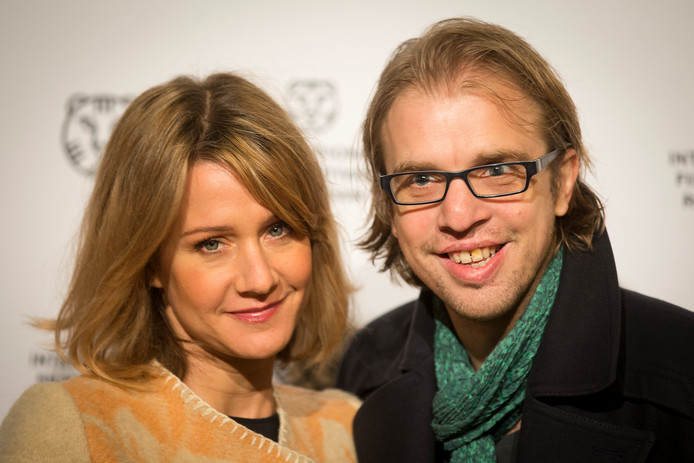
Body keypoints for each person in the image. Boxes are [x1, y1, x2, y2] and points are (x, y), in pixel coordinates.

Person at [336, 17, 694, 462]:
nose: (459, 216)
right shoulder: (364, 372)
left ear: (563, 182)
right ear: (388, 206)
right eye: (422, 179)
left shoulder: (681, 373)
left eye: (496, 170)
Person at [0, 72, 360, 462]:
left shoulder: (348, 428)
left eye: (278, 229)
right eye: (211, 244)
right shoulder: (74, 426)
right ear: (149, 262)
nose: (259, 279)